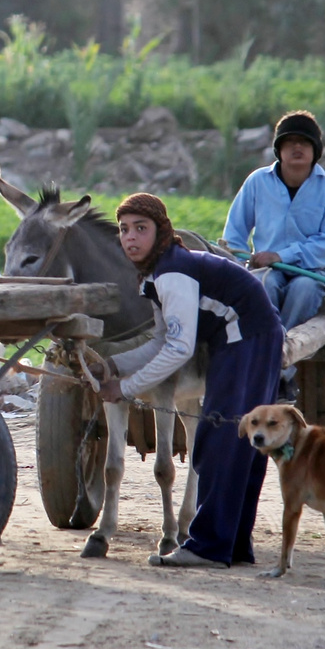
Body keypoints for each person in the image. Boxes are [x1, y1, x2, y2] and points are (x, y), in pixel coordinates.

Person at [98, 193, 284, 569]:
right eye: (124, 229)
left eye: (141, 228)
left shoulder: (171, 273)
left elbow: (178, 350)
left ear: (161, 231)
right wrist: (114, 366)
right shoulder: (156, 273)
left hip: (244, 336)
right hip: (254, 335)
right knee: (240, 439)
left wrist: (125, 389)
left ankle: (208, 547)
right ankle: (233, 546)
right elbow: (159, 341)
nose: (130, 237)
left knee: (219, 439)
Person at [223, 110, 325, 331]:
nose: (297, 148)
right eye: (289, 142)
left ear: (315, 150)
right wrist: (238, 267)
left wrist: (281, 256)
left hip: (312, 270)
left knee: (304, 289)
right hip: (267, 268)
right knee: (263, 285)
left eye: (304, 143)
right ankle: (266, 343)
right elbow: (234, 233)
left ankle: (282, 353)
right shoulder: (257, 182)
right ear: (279, 150)